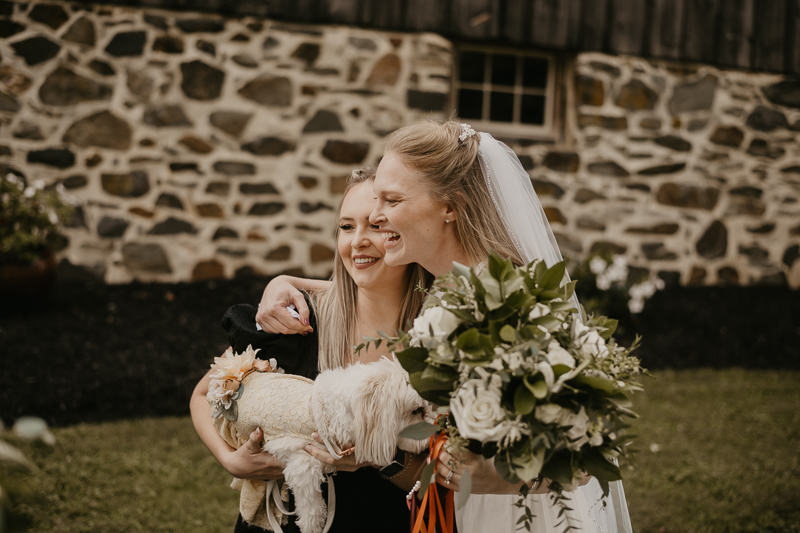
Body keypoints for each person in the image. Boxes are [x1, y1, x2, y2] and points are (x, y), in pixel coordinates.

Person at [256, 119, 634, 532]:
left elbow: (589, 451)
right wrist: (287, 282)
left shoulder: (510, 299)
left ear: (450, 206)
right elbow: (359, 282)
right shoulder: (442, 293)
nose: (377, 217)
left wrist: (502, 478)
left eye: (392, 200)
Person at [190, 168, 433, 533]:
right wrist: (231, 460)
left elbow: (443, 477)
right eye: (347, 227)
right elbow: (202, 394)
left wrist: (377, 458)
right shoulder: (298, 319)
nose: (358, 242)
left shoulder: (435, 335)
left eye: (376, 226)